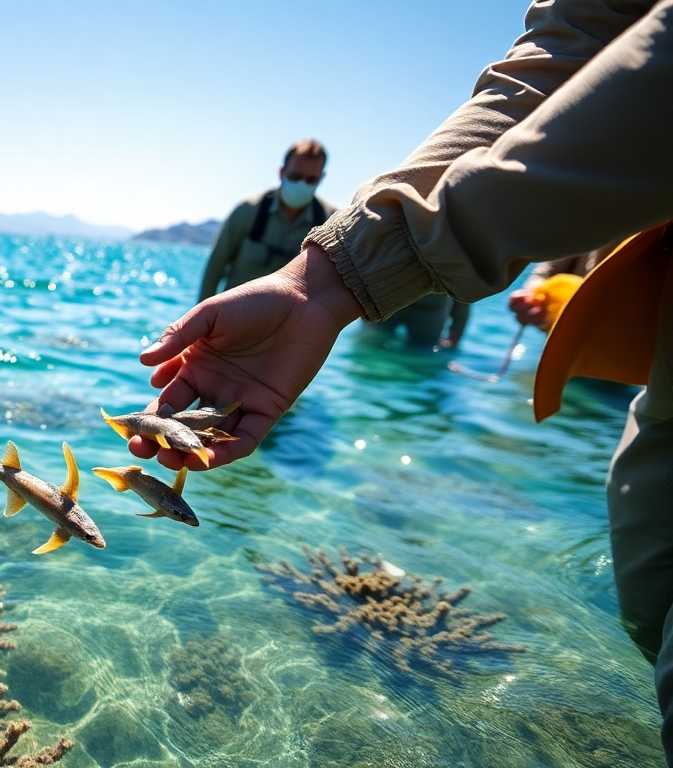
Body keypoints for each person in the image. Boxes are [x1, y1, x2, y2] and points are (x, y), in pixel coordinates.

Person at [130, 0, 673, 760]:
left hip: (372, 299)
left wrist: (345, 279)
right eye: (296, 172)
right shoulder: (248, 216)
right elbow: (569, 46)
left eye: (311, 175)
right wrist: (324, 283)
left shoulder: (320, 212)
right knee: (650, 596)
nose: (301, 182)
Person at [197, 140, 336, 302]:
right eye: (295, 176)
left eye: (311, 180)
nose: (302, 184)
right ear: (282, 172)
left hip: (291, 326)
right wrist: (202, 322)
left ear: (321, 178)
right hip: (236, 321)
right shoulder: (247, 210)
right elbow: (215, 267)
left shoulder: (330, 222)